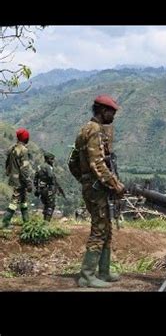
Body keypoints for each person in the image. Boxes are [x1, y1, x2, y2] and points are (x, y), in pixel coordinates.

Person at [73, 94, 125, 288]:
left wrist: (83, 179)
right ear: (103, 111)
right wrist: (116, 184)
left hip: (93, 187)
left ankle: (103, 271)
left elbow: (73, 162)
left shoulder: (84, 130)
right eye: (112, 112)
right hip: (97, 189)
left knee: (107, 228)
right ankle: (87, 275)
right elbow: (98, 164)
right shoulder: (94, 131)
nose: (113, 116)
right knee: (99, 230)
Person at [2, 128, 33, 229]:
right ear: (25, 138)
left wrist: (8, 173)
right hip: (20, 180)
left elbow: (7, 163)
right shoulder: (23, 150)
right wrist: (28, 182)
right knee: (15, 200)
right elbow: (24, 168)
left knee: (23, 199)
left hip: (14, 178)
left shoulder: (12, 148)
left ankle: (26, 222)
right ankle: (5, 222)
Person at [34, 152, 64, 222]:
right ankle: (46, 222)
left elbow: (35, 179)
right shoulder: (48, 167)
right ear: (47, 159)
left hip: (41, 189)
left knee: (46, 205)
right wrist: (54, 188)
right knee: (51, 205)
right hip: (48, 189)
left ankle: (44, 222)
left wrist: (37, 188)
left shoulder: (39, 167)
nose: (53, 161)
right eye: (52, 159)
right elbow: (51, 177)